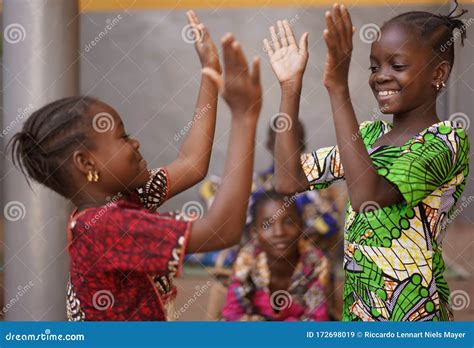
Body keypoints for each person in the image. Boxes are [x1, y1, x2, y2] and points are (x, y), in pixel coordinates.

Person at [9, 11, 263, 321]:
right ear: (87, 163)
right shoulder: (105, 227)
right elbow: (222, 231)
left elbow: (192, 163)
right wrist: (244, 118)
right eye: (122, 136)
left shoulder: (125, 199)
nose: (136, 143)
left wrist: (210, 72)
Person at [266, 2, 470, 321]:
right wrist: (290, 88)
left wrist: (337, 89)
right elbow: (287, 181)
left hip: (415, 319)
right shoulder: (369, 136)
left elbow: (368, 197)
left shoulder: (446, 141)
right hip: (360, 317)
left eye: (396, 66)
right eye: (374, 67)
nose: (380, 77)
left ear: (438, 73)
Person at [222, 191, 330, 321]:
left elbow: (316, 320)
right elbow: (233, 314)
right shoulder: (248, 260)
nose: (279, 232)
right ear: (254, 234)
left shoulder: (314, 263)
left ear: (301, 226)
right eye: (267, 225)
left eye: (289, 222)